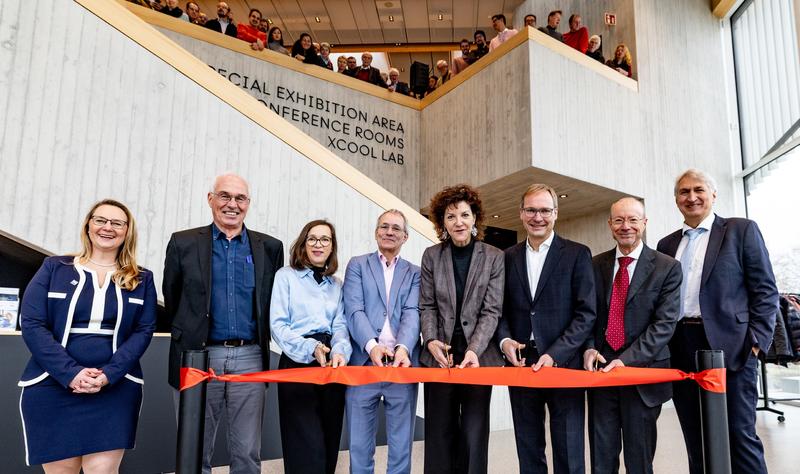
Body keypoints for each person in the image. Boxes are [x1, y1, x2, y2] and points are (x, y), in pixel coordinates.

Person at [18, 199, 156, 470]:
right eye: (100, 220)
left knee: (103, 470)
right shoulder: (54, 268)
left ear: (127, 231)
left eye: (117, 223)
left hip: (115, 389)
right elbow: (32, 323)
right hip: (52, 385)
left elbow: (144, 330)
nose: (108, 227)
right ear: (88, 225)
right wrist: (70, 373)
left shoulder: (142, 278)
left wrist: (109, 375)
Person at [656, 169, 779, 474]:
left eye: (698, 189)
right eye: (684, 192)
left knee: (739, 437)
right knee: (695, 437)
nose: (691, 197)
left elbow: (765, 290)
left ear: (713, 194)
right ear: (676, 200)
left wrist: (755, 344)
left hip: (731, 347)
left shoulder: (741, 230)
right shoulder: (666, 244)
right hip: (681, 347)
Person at [163, 173, 284, 474]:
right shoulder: (184, 242)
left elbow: (271, 301)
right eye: (224, 196)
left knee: (246, 453)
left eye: (240, 198)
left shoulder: (269, 247)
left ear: (248, 203)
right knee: (194, 451)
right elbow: (173, 296)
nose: (232, 204)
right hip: (199, 357)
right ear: (210, 199)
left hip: (250, 358)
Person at [497, 183, 596, 474]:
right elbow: (498, 310)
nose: (537, 216)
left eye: (544, 210)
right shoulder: (507, 257)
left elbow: (586, 312)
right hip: (521, 362)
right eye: (531, 210)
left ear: (555, 213)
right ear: (521, 213)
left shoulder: (577, 254)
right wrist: (504, 342)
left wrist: (555, 354)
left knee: (569, 448)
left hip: (564, 363)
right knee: (528, 447)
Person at [584, 197, 682, 474]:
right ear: (610, 225)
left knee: (639, 461)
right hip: (602, 375)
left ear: (644, 223)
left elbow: (663, 325)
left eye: (632, 220)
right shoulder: (594, 265)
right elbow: (587, 316)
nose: (625, 226)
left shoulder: (667, 267)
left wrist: (625, 361)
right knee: (602, 459)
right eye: (618, 220)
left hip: (643, 375)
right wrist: (589, 348)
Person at [420, 184, 504, 473]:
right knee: (438, 435)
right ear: (442, 222)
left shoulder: (494, 256)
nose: (459, 222)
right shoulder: (431, 256)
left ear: (475, 219)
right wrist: (430, 339)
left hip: (478, 357)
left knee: (473, 434)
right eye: (451, 216)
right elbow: (427, 305)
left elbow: (492, 310)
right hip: (438, 356)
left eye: (464, 215)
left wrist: (473, 349)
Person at [271, 219, 351, 474]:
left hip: (332, 368)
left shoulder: (337, 285)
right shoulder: (286, 277)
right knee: (305, 448)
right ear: (303, 244)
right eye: (313, 239)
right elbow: (279, 326)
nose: (318, 244)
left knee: (328, 443)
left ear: (332, 247)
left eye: (325, 239)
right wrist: (311, 348)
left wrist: (339, 351)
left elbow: (340, 326)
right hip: (298, 361)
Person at [343, 210, 421, 474]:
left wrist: (402, 348)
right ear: (376, 232)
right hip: (363, 364)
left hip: (401, 367)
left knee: (401, 447)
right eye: (384, 227)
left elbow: (412, 313)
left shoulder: (414, 273)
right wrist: (371, 345)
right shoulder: (357, 265)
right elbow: (354, 310)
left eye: (396, 228)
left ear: (405, 236)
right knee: (359, 445)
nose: (389, 232)